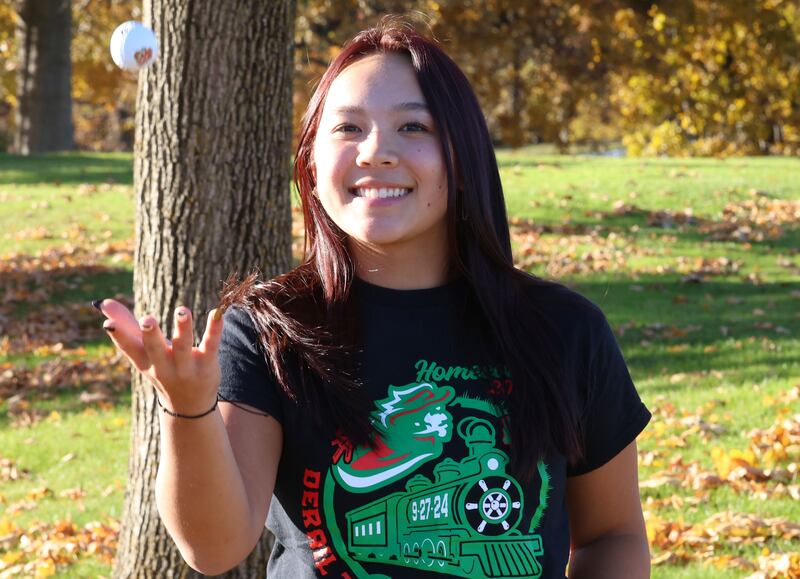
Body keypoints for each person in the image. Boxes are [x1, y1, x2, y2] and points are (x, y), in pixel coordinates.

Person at [95, 19, 652, 579]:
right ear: (312, 165)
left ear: (463, 159)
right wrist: (188, 409)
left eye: (413, 126)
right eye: (348, 128)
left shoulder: (565, 332)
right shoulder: (268, 334)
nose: (376, 151)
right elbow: (214, 549)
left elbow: (614, 535)